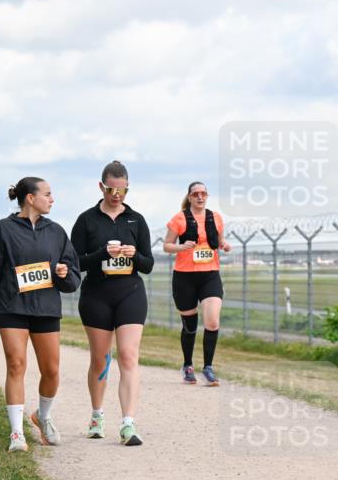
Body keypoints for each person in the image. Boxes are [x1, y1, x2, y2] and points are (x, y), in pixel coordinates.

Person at [0, 177, 81, 452]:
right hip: (12, 307)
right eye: (48, 194)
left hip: (46, 309)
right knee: (16, 365)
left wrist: (64, 273)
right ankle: (16, 433)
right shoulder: (3, 230)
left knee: (52, 370)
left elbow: (72, 274)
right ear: (30, 198)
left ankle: (43, 417)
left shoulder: (56, 232)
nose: (52, 199)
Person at [70, 160, 153, 446]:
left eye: (122, 190)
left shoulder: (137, 220)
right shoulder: (86, 220)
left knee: (129, 356)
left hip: (130, 292)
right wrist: (101, 253)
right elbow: (75, 263)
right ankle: (96, 415)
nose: (116, 195)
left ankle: (128, 423)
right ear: (101, 186)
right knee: (100, 359)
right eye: (111, 189)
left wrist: (133, 256)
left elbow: (148, 264)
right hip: (96, 295)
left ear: (128, 188)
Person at [163, 181, 232, 386]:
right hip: (185, 277)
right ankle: (187, 365)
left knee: (212, 321)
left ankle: (208, 367)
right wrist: (182, 246)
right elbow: (167, 246)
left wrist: (225, 245)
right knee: (190, 326)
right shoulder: (179, 219)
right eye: (196, 194)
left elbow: (220, 241)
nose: (200, 197)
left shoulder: (216, 218)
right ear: (190, 197)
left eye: (203, 193)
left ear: (207, 196)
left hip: (210, 274)